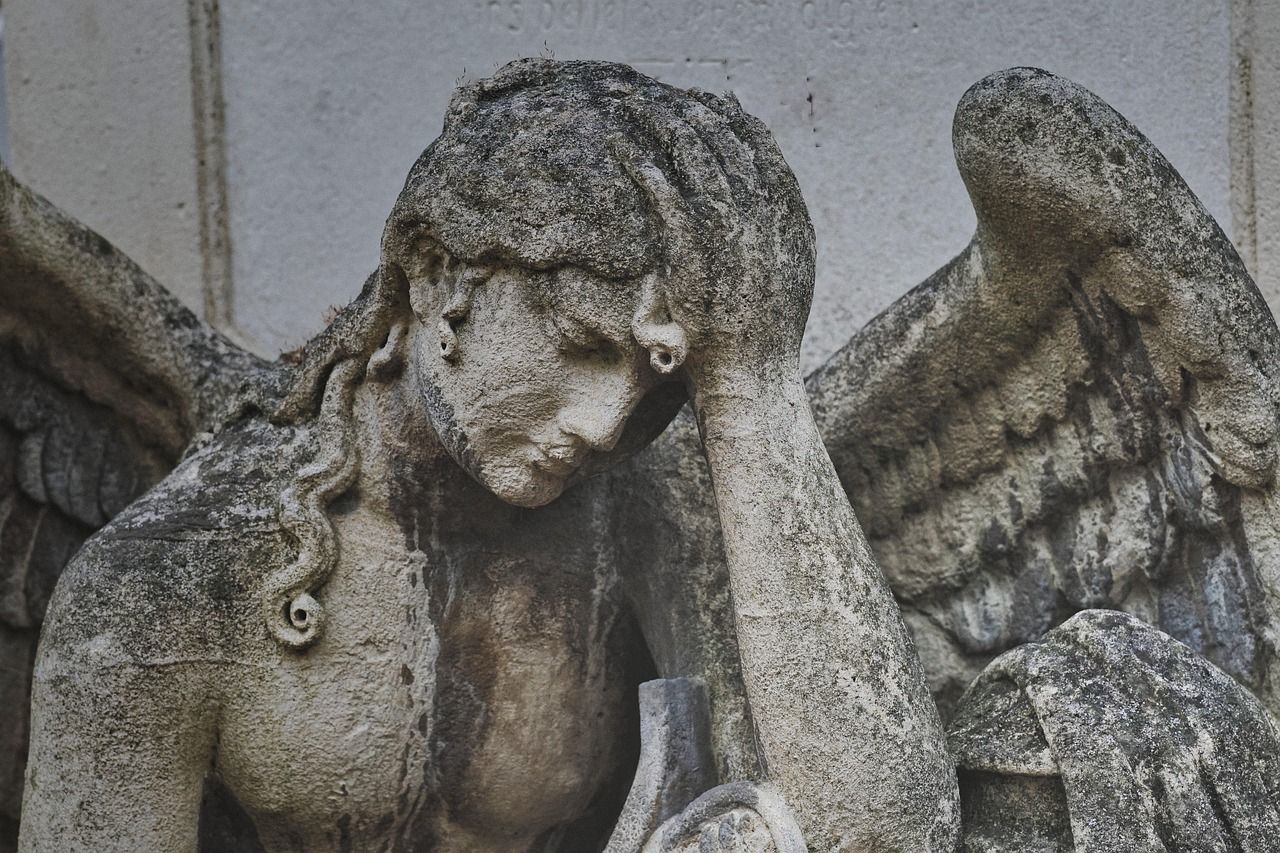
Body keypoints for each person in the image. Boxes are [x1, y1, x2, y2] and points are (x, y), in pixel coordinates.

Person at [19, 59, 958, 852]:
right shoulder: (172, 585)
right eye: (585, 344)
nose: (605, 425)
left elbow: (884, 833)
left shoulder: (639, 503)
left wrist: (749, 374)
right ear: (436, 276)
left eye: (658, 384)